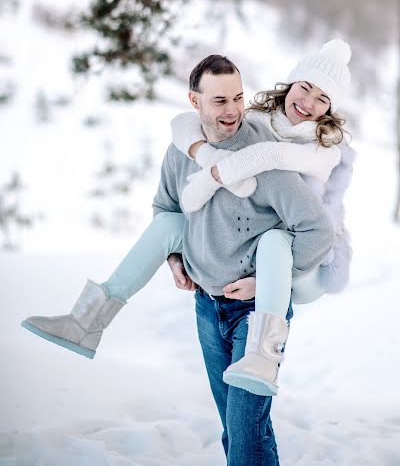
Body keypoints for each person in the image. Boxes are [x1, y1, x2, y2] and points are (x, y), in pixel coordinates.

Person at [22, 54, 335, 466]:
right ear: (194, 101)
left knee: (244, 432)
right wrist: (174, 260)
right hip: (207, 305)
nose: (232, 110)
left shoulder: (263, 156)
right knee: (239, 428)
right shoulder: (182, 152)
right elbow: (164, 209)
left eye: (238, 98)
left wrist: (268, 283)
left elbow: (318, 231)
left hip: (256, 314)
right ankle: (87, 321)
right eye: (220, 100)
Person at [169, 39, 355, 395]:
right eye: (305, 88)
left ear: (331, 109)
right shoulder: (257, 120)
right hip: (259, 258)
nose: (309, 103)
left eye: (323, 99)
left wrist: (213, 173)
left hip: (310, 259)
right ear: (291, 84)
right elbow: (183, 123)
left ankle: (264, 357)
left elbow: (269, 155)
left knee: (273, 240)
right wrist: (200, 149)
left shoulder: (324, 148)